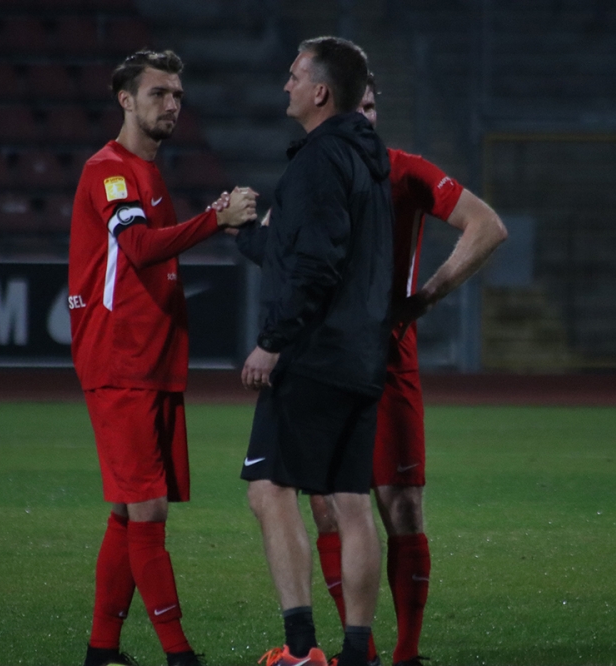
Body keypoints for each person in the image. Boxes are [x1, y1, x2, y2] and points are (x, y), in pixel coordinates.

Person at [308, 74, 507, 666]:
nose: (366, 116)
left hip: (386, 359)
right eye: (356, 106)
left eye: (373, 106)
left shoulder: (407, 170)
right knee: (327, 508)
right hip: (321, 362)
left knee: (401, 505)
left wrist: (426, 296)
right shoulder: (311, 175)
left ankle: (408, 655)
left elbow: (488, 225)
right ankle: (358, 652)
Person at [67, 49, 258, 666]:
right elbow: (140, 248)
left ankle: (103, 651)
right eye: (158, 93)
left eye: (177, 94)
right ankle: (180, 655)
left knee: (128, 513)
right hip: (120, 360)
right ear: (125, 99)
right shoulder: (111, 171)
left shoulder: (147, 174)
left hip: (150, 361)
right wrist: (213, 219)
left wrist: (215, 221)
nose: (171, 104)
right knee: (147, 511)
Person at [235, 37, 394, 666]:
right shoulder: (367, 158)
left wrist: (272, 342)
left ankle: (301, 652)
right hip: (360, 358)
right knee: (352, 501)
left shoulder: (318, 162)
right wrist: (245, 234)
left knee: (269, 489)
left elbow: (315, 266)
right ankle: (358, 653)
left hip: (314, 356)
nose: (286, 85)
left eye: (295, 75)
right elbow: (309, 254)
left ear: (321, 91)